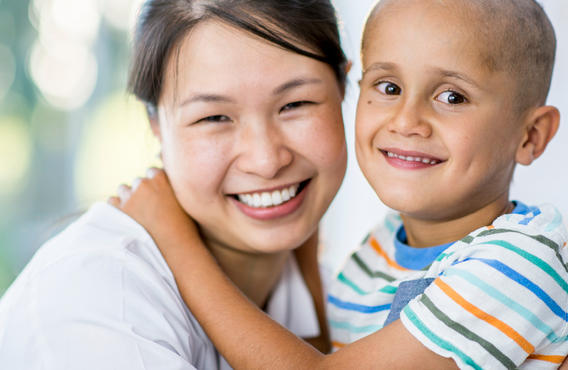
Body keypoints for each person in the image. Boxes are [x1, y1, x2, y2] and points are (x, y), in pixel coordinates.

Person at [114, 0, 568, 368]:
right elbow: (317, 353)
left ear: (530, 136)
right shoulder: (383, 247)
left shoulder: (521, 263)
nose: (406, 121)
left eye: (452, 97)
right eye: (388, 87)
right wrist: (305, 253)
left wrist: (174, 241)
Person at [0, 0, 350, 368]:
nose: (265, 161)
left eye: (295, 104)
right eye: (214, 117)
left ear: (346, 85)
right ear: (156, 125)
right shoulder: (98, 297)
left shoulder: (334, 293)